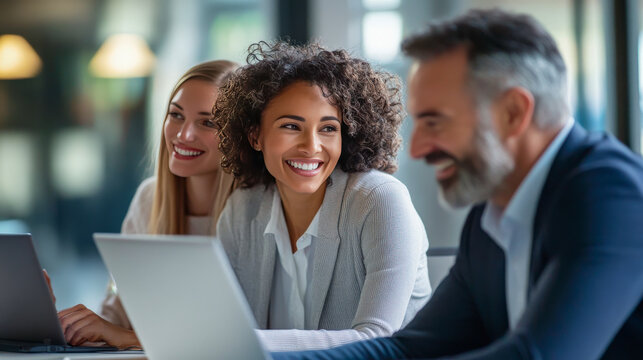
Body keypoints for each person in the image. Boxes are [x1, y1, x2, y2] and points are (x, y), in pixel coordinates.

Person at [273, 8, 643, 360]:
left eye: (434, 122)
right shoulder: (491, 217)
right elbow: (408, 350)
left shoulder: (610, 196)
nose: (417, 149)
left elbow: (535, 356)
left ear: (512, 113)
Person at [213, 41, 431, 351]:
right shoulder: (242, 210)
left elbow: (376, 341)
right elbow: (217, 325)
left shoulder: (380, 200)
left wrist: (242, 342)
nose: (311, 146)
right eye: (291, 126)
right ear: (255, 136)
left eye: (328, 128)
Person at [55, 60, 239, 348]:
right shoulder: (150, 199)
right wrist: (72, 327)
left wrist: (125, 338)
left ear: (239, 136)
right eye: (176, 115)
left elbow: (231, 345)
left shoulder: (256, 212)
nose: (183, 135)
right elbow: (114, 314)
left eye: (207, 122)